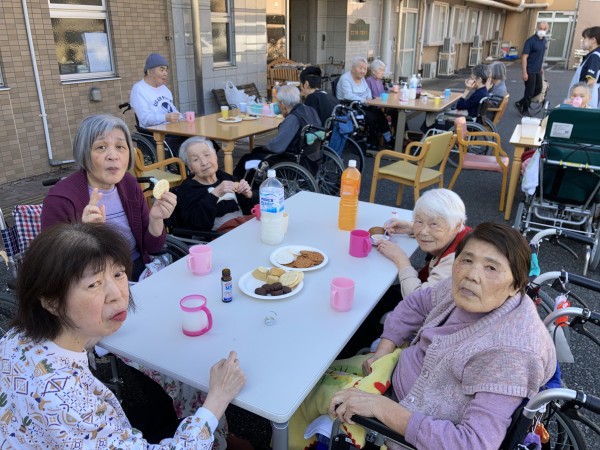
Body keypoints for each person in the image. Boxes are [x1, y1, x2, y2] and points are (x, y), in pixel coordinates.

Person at [291, 223, 557, 450]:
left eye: (491, 268)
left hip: (403, 428)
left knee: (300, 400)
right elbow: (417, 302)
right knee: (304, 380)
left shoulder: (508, 353)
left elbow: (474, 443)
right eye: (467, 260)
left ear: (516, 286)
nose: (472, 275)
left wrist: (381, 408)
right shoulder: (463, 291)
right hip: (390, 374)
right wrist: (384, 348)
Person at [0, 222, 246, 448]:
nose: (118, 294)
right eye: (93, 284)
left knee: (161, 408)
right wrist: (217, 399)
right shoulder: (65, 400)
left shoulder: (17, 337)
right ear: (52, 302)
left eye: (118, 274)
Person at [41, 113, 177, 282]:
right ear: (84, 153)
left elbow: (152, 247)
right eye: (101, 147)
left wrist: (156, 219)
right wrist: (84, 236)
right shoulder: (60, 199)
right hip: (93, 280)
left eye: (120, 146)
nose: (113, 156)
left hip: (135, 269)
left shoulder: (129, 184)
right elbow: (53, 265)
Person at [378, 189, 470, 298]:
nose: (423, 232)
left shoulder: (456, 261)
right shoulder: (466, 234)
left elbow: (419, 300)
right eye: (419, 221)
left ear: (457, 226)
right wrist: (411, 228)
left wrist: (401, 260)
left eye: (434, 224)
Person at [233, 84, 321, 179]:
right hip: (310, 158)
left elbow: (277, 147)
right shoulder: (310, 110)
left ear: (282, 104)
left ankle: (237, 184)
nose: (278, 106)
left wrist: (266, 146)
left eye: (278, 103)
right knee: (256, 151)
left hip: (290, 161)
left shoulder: (293, 119)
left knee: (247, 159)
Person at [176, 136, 258, 233]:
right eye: (195, 159)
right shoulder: (188, 189)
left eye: (207, 155)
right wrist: (215, 194)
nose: (204, 162)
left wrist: (249, 194)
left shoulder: (224, 177)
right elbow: (196, 224)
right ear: (190, 167)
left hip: (242, 226)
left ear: (215, 155)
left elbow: (250, 208)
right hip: (219, 235)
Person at [130, 53, 187, 155]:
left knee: (200, 139)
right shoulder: (139, 89)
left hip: (173, 130)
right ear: (150, 72)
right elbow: (145, 119)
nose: (165, 73)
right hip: (156, 134)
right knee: (189, 145)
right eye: (162, 70)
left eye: (166, 70)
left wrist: (182, 117)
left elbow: (172, 110)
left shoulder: (164, 89)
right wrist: (165, 117)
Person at [336, 56, 393, 150]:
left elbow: (367, 90)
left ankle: (389, 139)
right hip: (350, 106)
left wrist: (369, 98)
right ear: (353, 68)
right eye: (360, 68)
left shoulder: (362, 78)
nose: (363, 71)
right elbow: (348, 96)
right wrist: (364, 100)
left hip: (363, 105)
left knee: (379, 113)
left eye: (365, 68)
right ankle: (370, 143)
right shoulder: (345, 79)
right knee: (372, 117)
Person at [515, 22, 549, 116]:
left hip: (538, 70)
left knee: (538, 89)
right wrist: (524, 72)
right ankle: (525, 109)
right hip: (530, 70)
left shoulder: (544, 41)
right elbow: (524, 57)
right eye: (540, 28)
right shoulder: (530, 41)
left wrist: (541, 67)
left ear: (547, 30)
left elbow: (540, 55)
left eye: (544, 29)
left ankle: (520, 103)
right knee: (529, 91)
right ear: (537, 28)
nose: (542, 30)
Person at [568, 26, 600, 108]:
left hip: (584, 101)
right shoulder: (593, 55)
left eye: (585, 38)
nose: (582, 41)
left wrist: (579, 97)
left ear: (593, 40)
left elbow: (591, 81)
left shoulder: (594, 56)